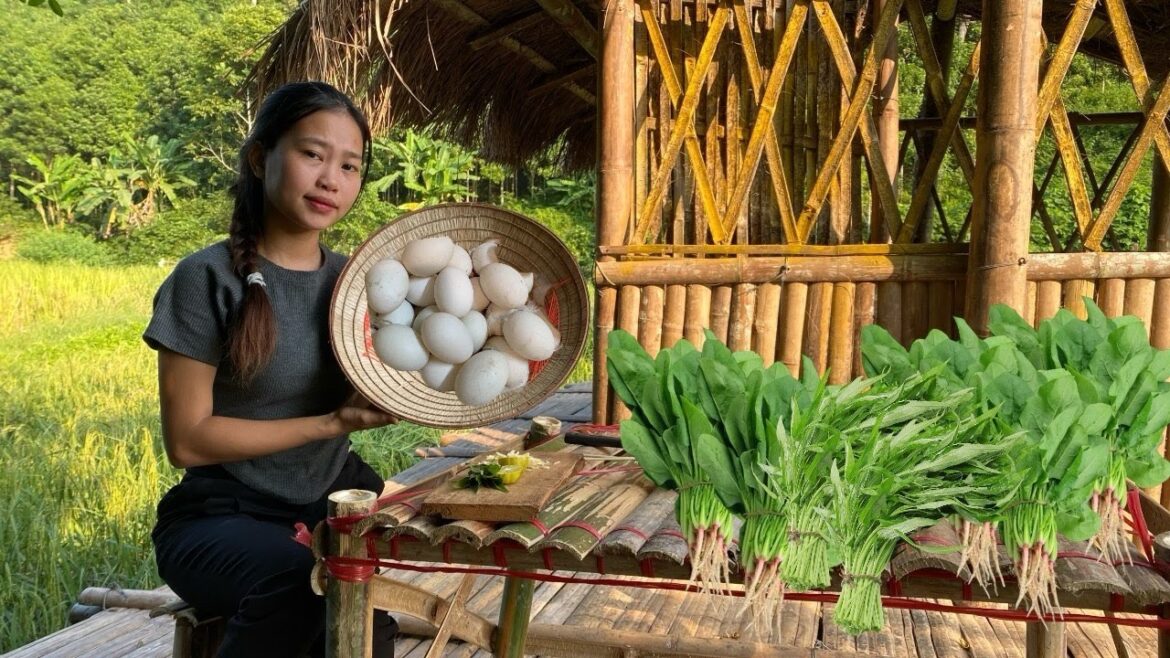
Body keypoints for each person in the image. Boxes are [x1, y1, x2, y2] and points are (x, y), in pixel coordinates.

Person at [143, 81, 399, 658]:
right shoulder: (206, 278)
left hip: (325, 510)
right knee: (300, 590)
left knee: (369, 633)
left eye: (350, 166)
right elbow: (187, 441)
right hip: (219, 516)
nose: (331, 179)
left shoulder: (357, 284)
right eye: (313, 154)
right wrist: (330, 424)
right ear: (261, 158)